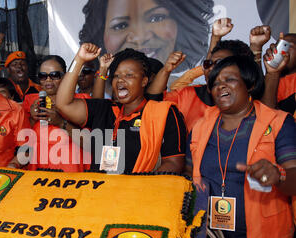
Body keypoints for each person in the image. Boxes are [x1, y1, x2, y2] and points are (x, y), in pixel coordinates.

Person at [186, 55, 296, 238]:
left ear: (251, 84)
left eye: (230, 80)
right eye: (215, 83)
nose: (220, 86)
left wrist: (278, 176)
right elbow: (187, 174)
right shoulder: (200, 127)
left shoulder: (279, 123)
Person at [56, 43, 186, 174]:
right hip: (97, 192)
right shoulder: (104, 109)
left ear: (144, 81)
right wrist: (79, 60)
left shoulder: (164, 113)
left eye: (129, 75)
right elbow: (63, 104)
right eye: (116, 76)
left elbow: (174, 163)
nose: (120, 80)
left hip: (138, 192)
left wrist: (137, 188)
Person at [78, 0, 214, 73]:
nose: (141, 37)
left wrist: (215, 38)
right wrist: (80, 60)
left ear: (181, 23)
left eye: (156, 18)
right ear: (101, 37)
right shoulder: (100, 102)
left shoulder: (182, 95)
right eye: (120, 26)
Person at [22, 55, 91, 172]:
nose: (48, 80)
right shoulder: (31, 101)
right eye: (43, 76)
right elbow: (23, 142)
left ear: (65, 77)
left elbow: (90, 143)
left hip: (71, 176)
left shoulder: (81, 101)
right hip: (40, 177)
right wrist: (33, 119)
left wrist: (61, 122)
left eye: (54, 75)